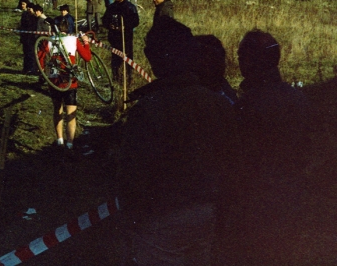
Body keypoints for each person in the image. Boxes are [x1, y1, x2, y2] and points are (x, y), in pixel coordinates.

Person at [115, 17, 238, 265]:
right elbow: (232, 162)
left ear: (154, 57)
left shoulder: (149, 109)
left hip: (163, 217)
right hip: (206, 211)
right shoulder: (217, 103)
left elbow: (133, 175)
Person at [221, 30, 315, 265]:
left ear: (249, 61)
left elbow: (235, 162)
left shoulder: (247, 106)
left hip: (255, 205)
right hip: (293, 199)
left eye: (242, 57)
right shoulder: (298, 98)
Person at [42, 29, 92, 152]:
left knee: (57, 110)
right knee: (71, 114)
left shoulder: (48, 41)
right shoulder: (73, 40)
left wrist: (43, 70)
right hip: (70, 82)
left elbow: (40, 58)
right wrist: (86, 42)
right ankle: (70, 143)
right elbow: (87, 57)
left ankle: (60, 140)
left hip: (54, 81)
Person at [102, 0, 139, 84]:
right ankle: (115, 78)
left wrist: (125, 27)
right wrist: (109, 25)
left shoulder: (130, 7)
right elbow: (104, 20)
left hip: (126, 38)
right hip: (115, 38)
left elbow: (136, 21)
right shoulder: (112, 7)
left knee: (128, 59)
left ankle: (129, 77)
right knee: (115, 59)